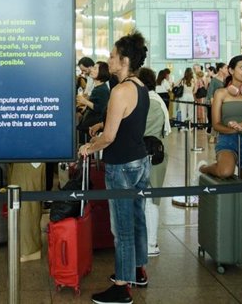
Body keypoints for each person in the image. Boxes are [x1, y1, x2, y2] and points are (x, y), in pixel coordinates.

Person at [78, 31, 150, 304]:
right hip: (140, 161)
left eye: (112, 56)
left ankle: (122, 286)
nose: (109, 60)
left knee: (122, 228)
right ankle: (137, 270)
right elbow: (123, 125)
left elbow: (109, 137)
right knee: (137, 219)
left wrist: (89, 146)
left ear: (125, 60)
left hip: (121, 166)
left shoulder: (120, 91)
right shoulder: (140, 86)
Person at [197, 55, 242, 182]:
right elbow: (216, 124)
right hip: (227, 139)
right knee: (225, 171)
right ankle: (203, 168)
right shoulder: (220, 93)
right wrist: (235, 129)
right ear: (231, 70)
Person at [138, 67, 171, 257]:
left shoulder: (148, 102)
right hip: (157, 154)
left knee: (149, 201)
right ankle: (150, 242)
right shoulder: (158, 100)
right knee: (151, 199)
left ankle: (151, 243)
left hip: (147, 155)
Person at [76, 61, 111, 133]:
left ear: (102, 72)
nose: (91, 70)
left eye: (95, 69)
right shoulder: (97, 87)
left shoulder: (102, 89)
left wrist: (85, 101)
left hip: (93, 127)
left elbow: (101, 108)